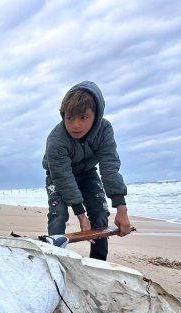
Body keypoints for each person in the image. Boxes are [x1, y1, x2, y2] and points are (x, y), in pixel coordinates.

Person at [42, 81, 132, 261]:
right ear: (63, 115)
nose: (75, 125)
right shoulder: (56, 140)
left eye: (83, 117)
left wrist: (121, 209)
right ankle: (55, 259)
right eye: (70, 118)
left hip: (88, 173)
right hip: (57, 176)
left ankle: (99, 262)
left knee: (99, 213)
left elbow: (109, 167)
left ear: (96, 116)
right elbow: (63, 177)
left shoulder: (104, 130)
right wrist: (81, 215)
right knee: (58, 215)